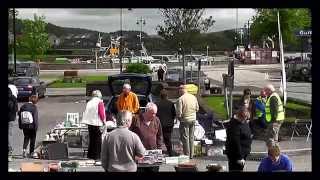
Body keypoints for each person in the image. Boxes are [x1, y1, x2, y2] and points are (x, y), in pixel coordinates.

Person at [130, 102, 163, 172]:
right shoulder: (136, 119)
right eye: (152, 113)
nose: (154, 115)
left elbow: (159, 136)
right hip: (139, 153)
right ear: (146, 111)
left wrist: (160, 149)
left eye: (155, 113)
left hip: (153, 153)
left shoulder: (157, 120)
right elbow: (130, 134)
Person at [225, 107, 252, 172]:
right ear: (240, 116)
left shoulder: (243, 121)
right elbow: (235, 142)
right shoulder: (234, 125)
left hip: (244, 151)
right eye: (244, 118)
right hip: (236, 154)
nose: (245, 120)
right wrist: (239, 157)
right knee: (236, 169)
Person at [176, 85, 199, 159]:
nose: (178, 92)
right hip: (193, 119)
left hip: (185, 120)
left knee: (185, 138)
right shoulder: (193, 97)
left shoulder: (180, 99)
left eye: (179, 91)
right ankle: (192, 154)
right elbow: (197, 108)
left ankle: (187, 154)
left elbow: (179, 113)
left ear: (181, 90)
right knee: (191, 137)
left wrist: (179, 118)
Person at [81, 90, 106, 160]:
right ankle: (97, 156)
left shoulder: (89, 102)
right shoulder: (99, 102)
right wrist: (104, 122)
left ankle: (90, 155)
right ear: (99, 95)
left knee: (92, 140)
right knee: (98, 140)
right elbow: (101, 114)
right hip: (97, 123)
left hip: (90, 123)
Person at [155, 89, 176, 156]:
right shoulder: (171, 103)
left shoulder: (156, 104)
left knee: (158, 139)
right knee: (168, 139)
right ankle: (170, 153)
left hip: (159, 124)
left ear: (160, 96)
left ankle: (158, 154)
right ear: (167, 96)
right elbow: (174, 114)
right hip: (169, 124)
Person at [8, 85, 18, 161]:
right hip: (11, 119)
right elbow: (16, 109)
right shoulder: (13, 98)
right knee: (9, 135)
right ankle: (9, 153)